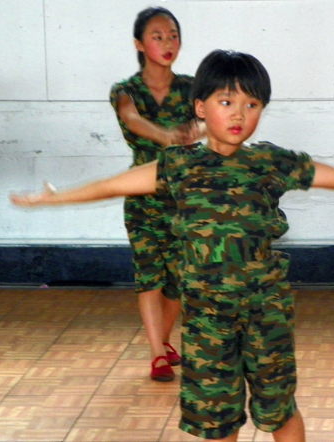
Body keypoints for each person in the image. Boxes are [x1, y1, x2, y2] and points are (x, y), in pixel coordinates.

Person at [11, 49, 334, 442]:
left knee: (278, 412)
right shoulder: (178, 165)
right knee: (215, 422)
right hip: (205, 319)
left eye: (252, 104)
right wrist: (54, 197)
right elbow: (111, 186)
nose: (240, 114)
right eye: (227, 102)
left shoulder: (270, 162)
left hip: (265, 311)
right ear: (200, 107)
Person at [109, 6, 203, 381]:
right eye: (158, 36)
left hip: (184, 196)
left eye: (173, 36)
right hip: (142, 196)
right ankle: (157, 354)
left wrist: (197, 128)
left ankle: (161, 341)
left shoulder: (193, 87)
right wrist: (167, 136)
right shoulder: (125, 91)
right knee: (148, 276)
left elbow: (204, 119)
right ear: (139, 44)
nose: (168, 43)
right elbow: (132, 120)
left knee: (179, 278)